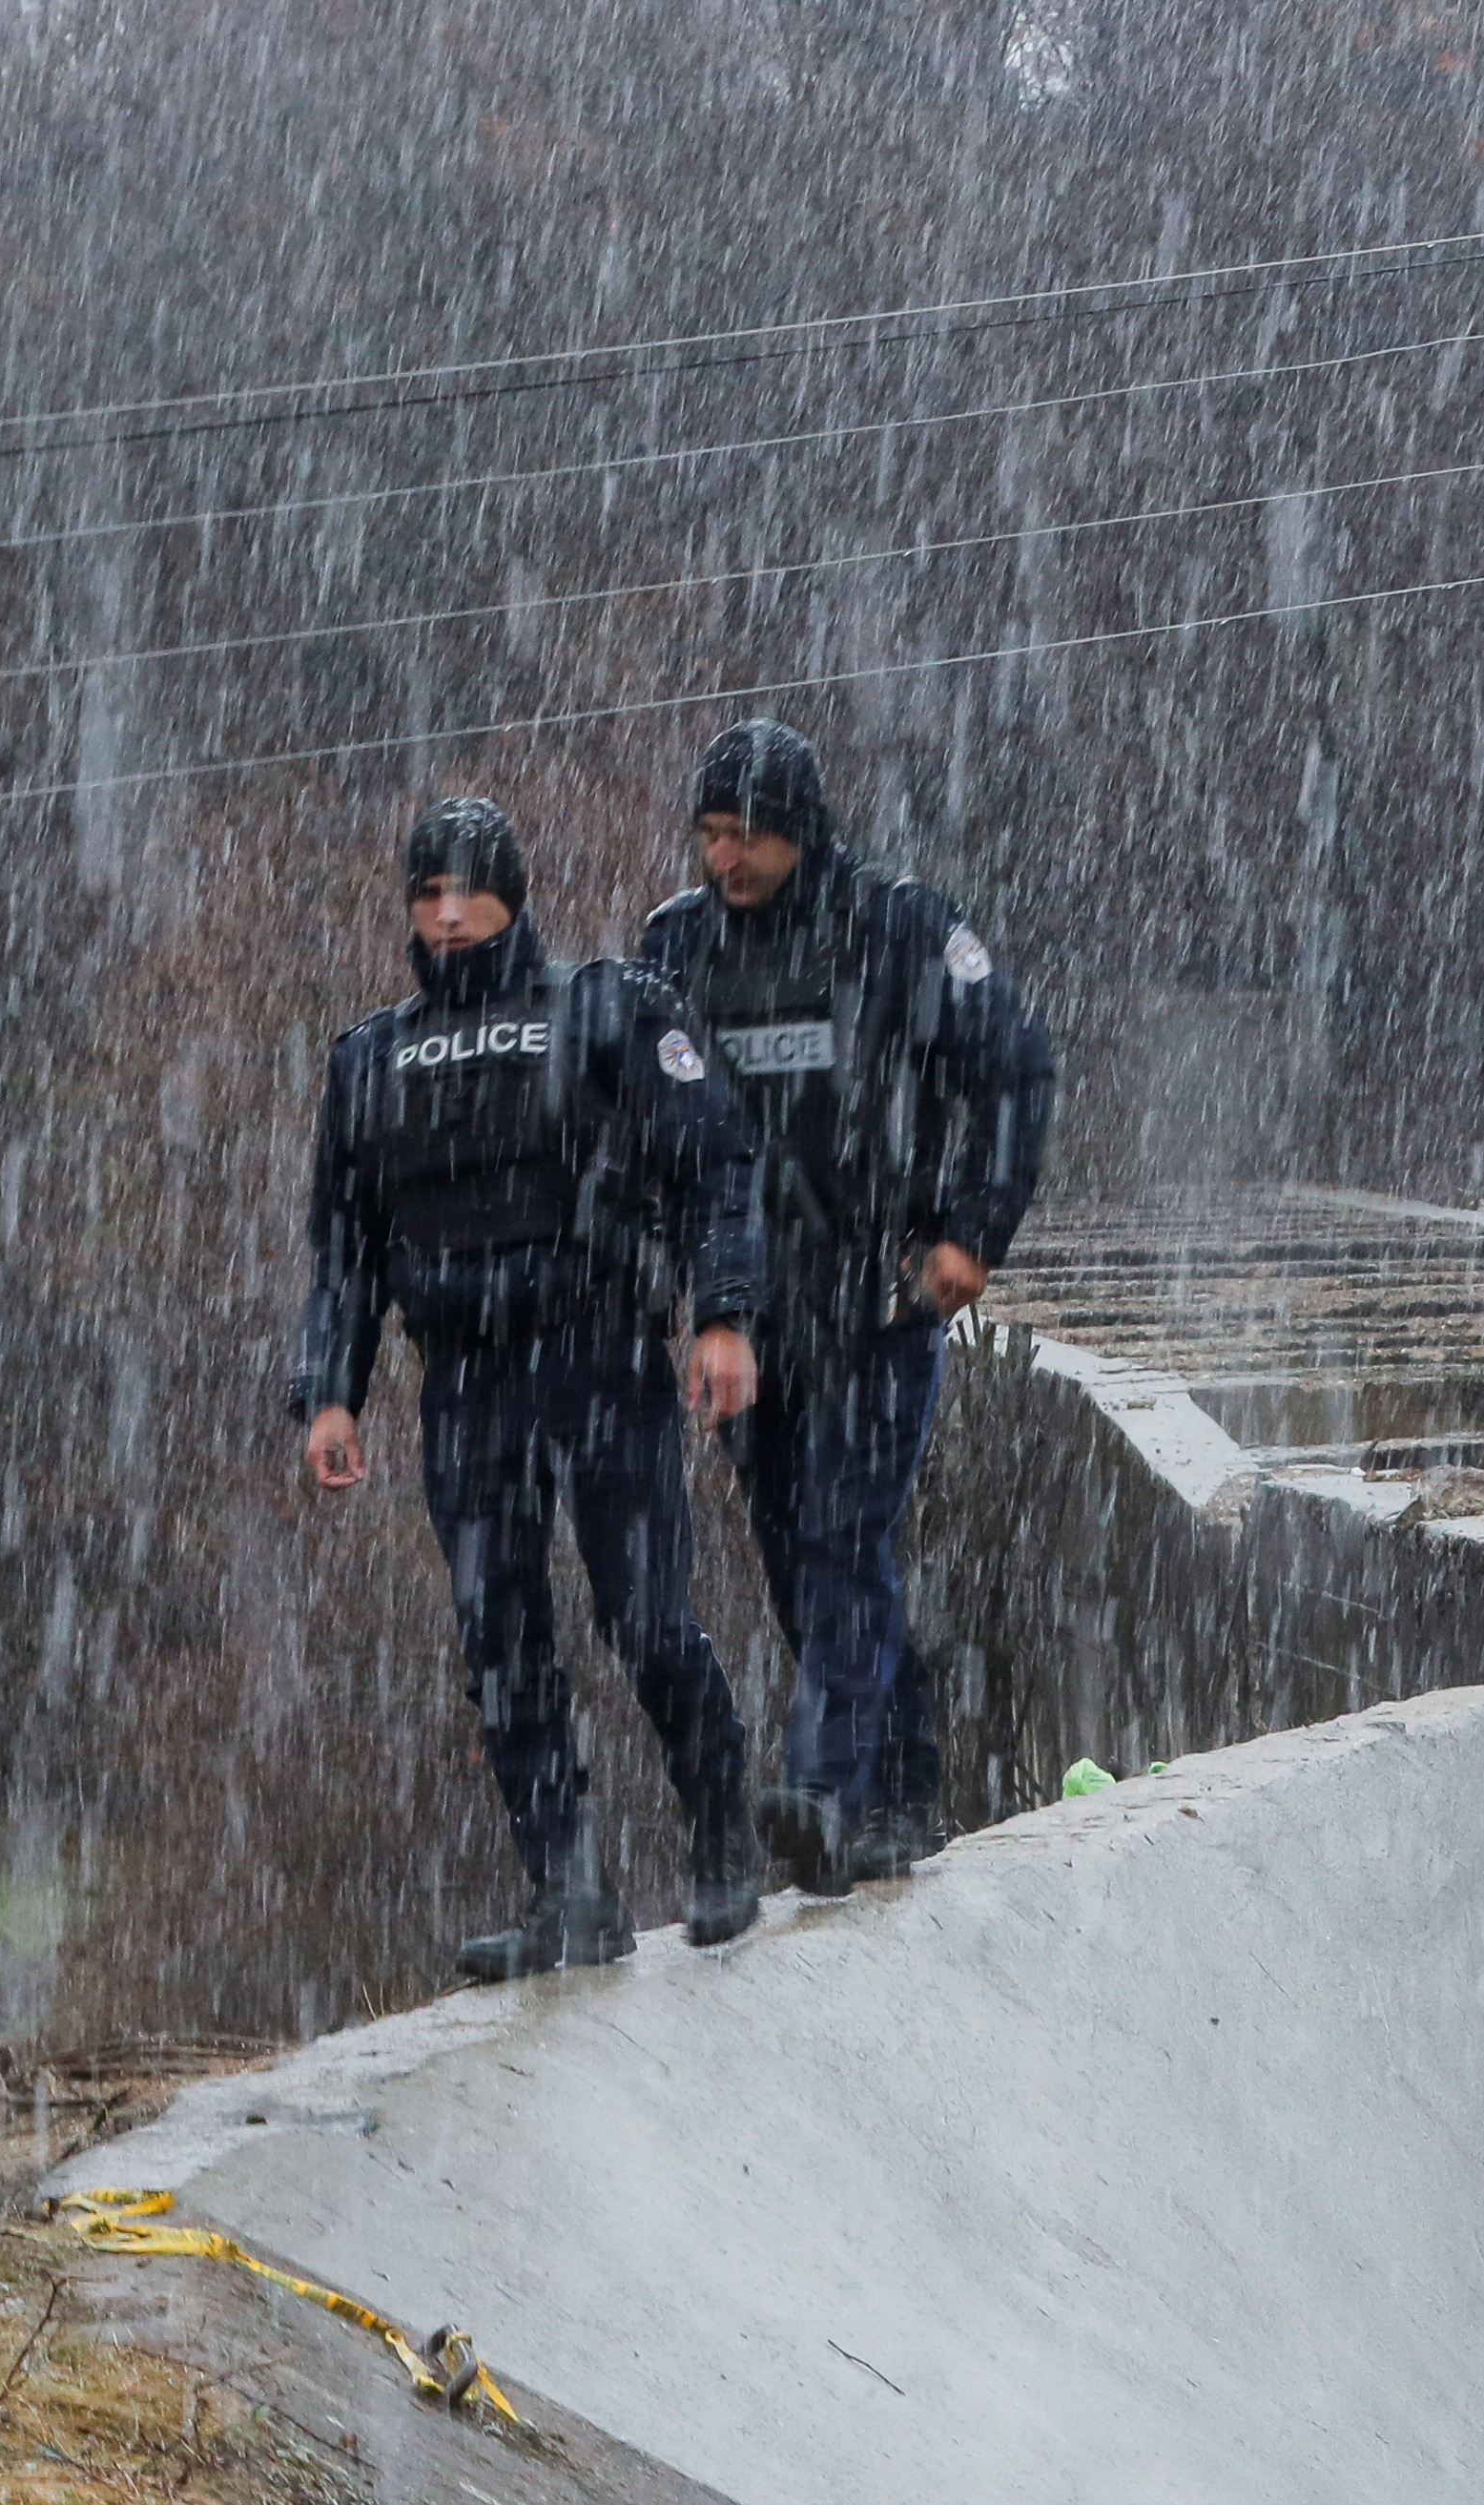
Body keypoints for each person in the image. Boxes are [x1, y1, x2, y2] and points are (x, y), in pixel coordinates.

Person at [293, 797, 771, 1978]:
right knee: (498, 1641)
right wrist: (331, 1391)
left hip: (600, 1354)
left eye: (468, 889)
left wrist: (723, 1317)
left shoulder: (610, 1007)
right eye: (427, 893)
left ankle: (724, 1839)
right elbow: (346, 1246)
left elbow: (716, 1165)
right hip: (464, 1379)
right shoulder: (371, 1058)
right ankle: (568, 1893)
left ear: (510, 894)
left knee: (647, 1619)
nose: (448, 914)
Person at [640, 719, 1055, 1893]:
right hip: (748, 1311)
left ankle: (823, 1790)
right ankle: (900, 1796)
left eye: (744, 836)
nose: (723, 858)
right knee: (798, 1563)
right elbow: (646, 1128)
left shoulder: (900, 926)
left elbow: (1015, 1071)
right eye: (709, 834)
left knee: (841, 1541)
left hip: (878, 1296)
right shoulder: (677, 945)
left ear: (800, 831)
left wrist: (974, 1228)